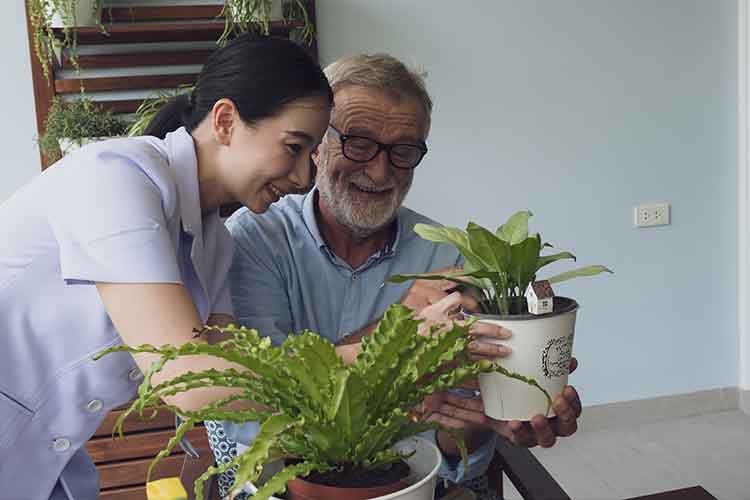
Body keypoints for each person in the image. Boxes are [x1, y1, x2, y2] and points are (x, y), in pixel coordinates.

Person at [206, 54, 582, 500]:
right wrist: (397, 329)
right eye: (359, 143)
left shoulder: (446, 256)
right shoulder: (255, 239)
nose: (381, 171)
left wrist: (484, 423)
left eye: (403, 151)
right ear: (317, 143)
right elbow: (256, 412)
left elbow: (446, 443)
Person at [0, 35, 332, 500]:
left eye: (310, 154)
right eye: (294, 147)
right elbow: (188, 379)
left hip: (43, 463)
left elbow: (235, 374)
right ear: (226, 121)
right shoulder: (116, 176)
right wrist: (368, 357)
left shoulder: (214, 241)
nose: (302, 179)